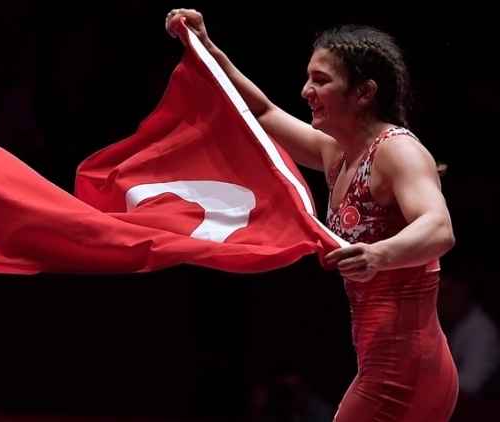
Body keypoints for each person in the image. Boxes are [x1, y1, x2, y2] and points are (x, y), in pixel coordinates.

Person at [165, 9, 457, 422]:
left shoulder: (397, 150)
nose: (306, 91)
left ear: (364, 92)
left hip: (405, 373)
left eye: (321, 80)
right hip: (391, 368)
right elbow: (261, 115)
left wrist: (379, 255)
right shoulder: (337, 153)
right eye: (308, 79)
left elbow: (439, 228)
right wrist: (206, 48)